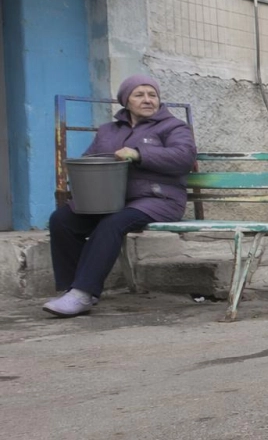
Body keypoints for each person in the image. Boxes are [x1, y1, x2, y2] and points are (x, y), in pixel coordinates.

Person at [43, 74, 197, 317]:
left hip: (159, 199)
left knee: (111, 224)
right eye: (139, 94)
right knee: (61, 219)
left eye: (152, 95)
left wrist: (138, 153)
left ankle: (83, 292)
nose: (147, 100)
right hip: (112, 200)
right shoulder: (108, 131)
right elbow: (90, 159)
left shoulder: (173, 127)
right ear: (126, 101)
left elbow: (184, 158)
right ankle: (73, 290)